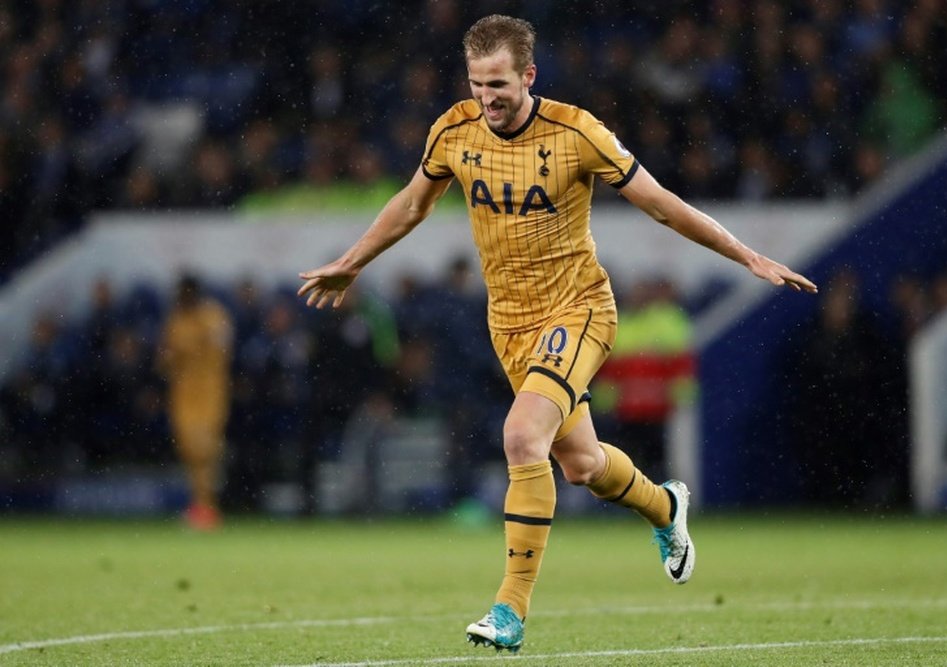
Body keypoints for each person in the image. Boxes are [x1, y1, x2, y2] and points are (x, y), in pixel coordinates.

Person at [298, 14, 817, 653]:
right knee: (580, 466)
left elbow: (660, 202)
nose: (487, 97)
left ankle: (508, 610)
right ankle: (665, 507)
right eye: (477, 83)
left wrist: (747, 256)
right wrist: (353, 262)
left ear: (528, 76)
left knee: (521, 437)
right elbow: (411, 204)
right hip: (509, 326)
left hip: (578, 311)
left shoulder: (577, 133)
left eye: (499, 84)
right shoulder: (454, 131)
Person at [158, 274, 234, 531]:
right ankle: (201, 506)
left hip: (210, 392)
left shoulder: (212, 315)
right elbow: (165, 359)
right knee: (190, 453)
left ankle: (208, 506)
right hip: (182, 396)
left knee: (206, 451)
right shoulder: (176, 319)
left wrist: (191, 347)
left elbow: (221, 348)